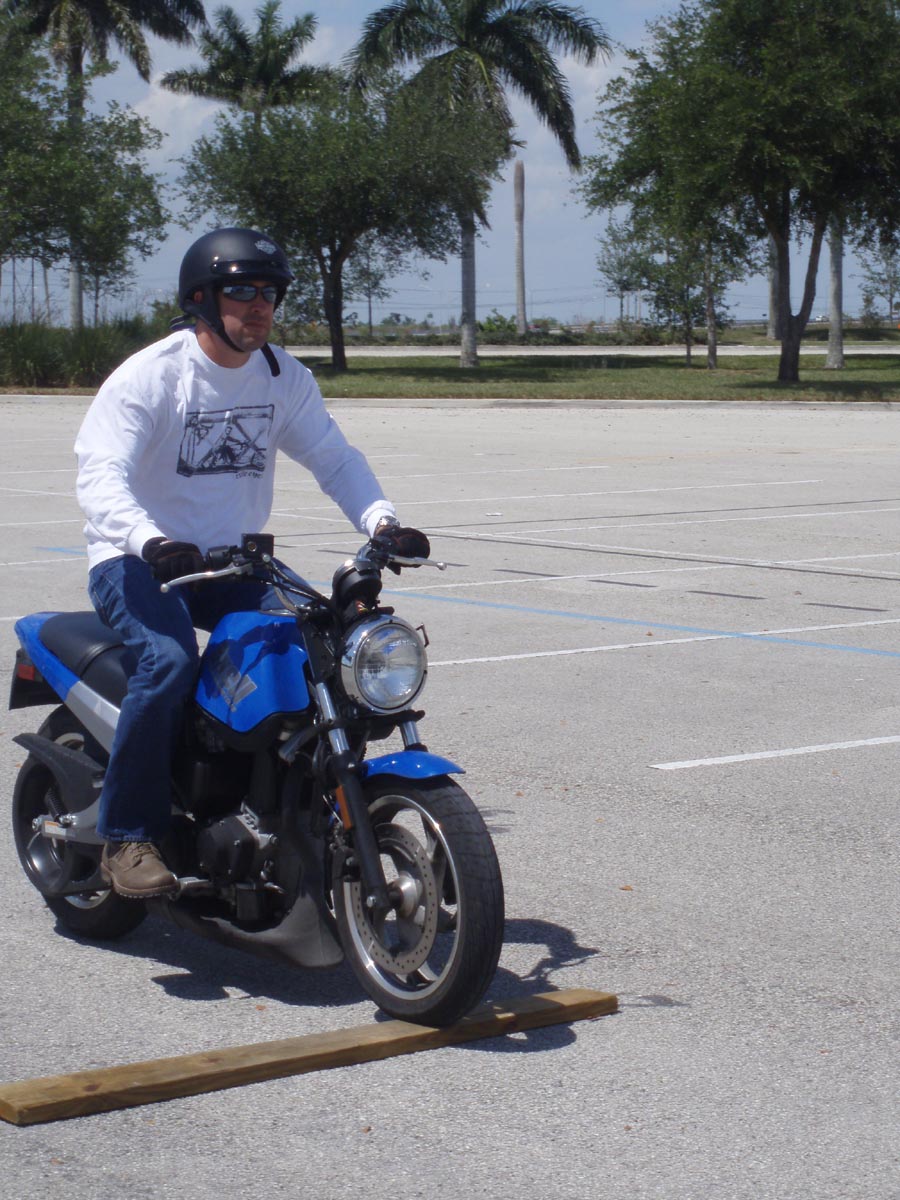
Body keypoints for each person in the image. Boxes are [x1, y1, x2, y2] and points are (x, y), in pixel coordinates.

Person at [74, 227, 429, 900]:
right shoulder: (154, 375)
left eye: (269, 292)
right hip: (138, 560)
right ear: (202, 300)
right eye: (241, 291)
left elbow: (333, 458)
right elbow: (101, 475)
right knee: (168, 662)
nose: (259, 305)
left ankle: (296, 805)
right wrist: (149, 540)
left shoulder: (282, 376)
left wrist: (382, 522)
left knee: (319, 644)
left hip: (233, 563)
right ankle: (127, 836)